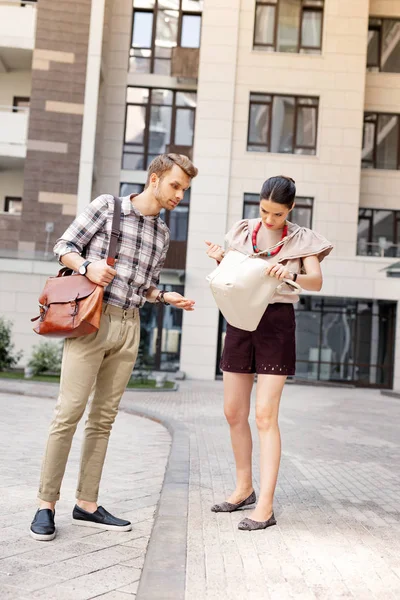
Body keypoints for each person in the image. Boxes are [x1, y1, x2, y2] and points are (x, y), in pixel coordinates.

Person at [30, 153, 197, 541]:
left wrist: (164, 295)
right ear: (154, 179)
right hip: (92, 320)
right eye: (175, 185)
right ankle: (45, 504)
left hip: (130, 325)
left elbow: (145, 284)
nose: (179, 195)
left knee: (103, 419)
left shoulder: (163, 234)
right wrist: (87, 267)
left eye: (184, 190)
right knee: (68, 413)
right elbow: (63, 245)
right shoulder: (108, 207)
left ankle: (86, 503)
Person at [205, 175, 333, 531]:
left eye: (277, 214)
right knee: (233, 412)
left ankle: (265, 505)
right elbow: (233, 275)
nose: (269, 219)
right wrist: (220, 258)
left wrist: (288, 273)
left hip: (276, 322)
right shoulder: (243, 231)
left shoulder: (302, 239)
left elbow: (315, 282)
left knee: (264, 416)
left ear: (290, 209)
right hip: (240, 318)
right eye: (264, 211)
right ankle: (243, 489)